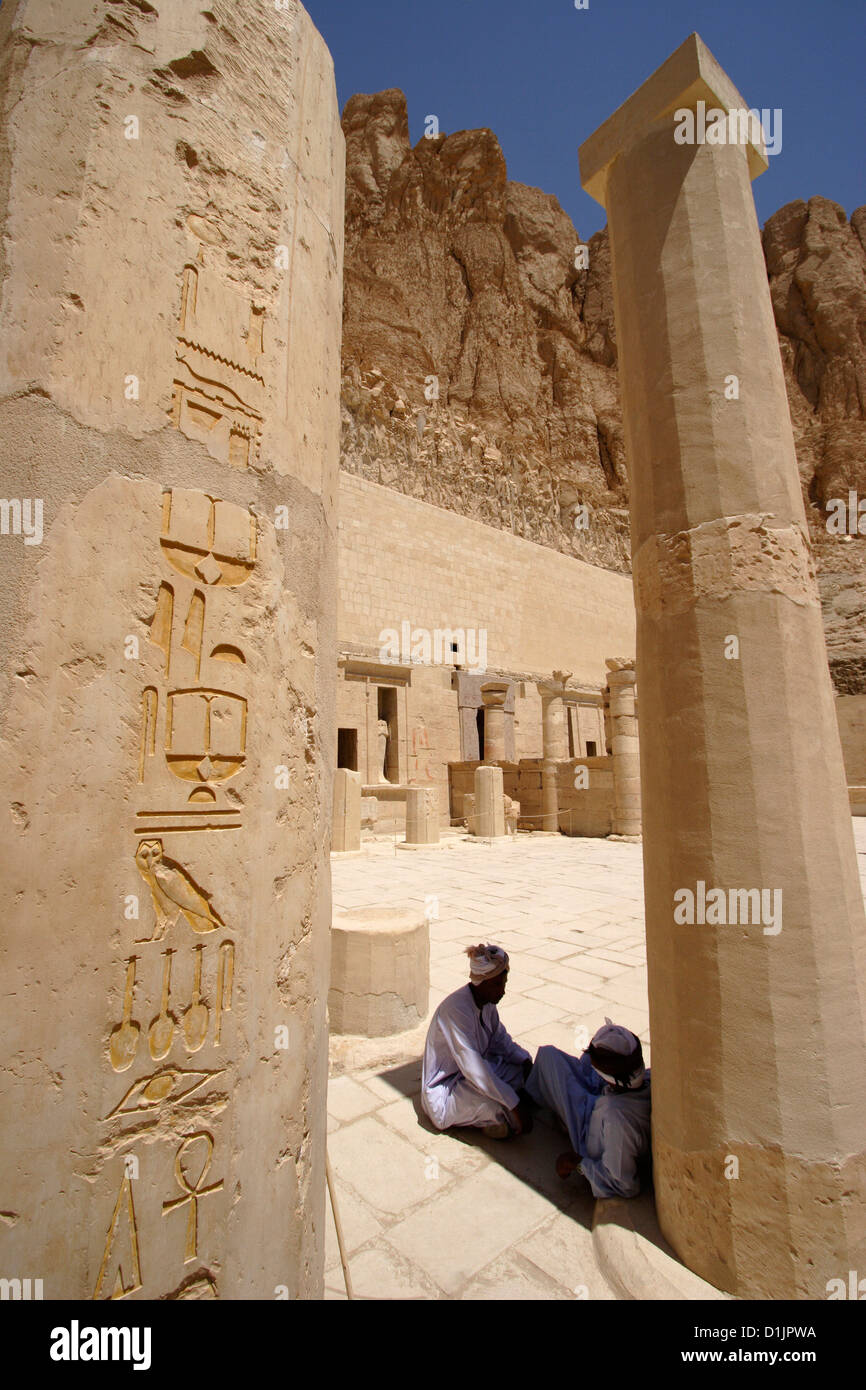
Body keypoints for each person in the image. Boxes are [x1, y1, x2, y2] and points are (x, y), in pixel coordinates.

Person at [526, 1019, 651, 1198]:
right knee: (557, 1056)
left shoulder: (616, 1118)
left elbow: (622, 1183)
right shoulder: (646, 1078)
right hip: (608, 1094)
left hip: (588, 1126)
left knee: (550, 1060)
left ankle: (559, 1115)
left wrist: (579, 1165)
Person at [421, 944, 534, 1139]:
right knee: (497, 1103)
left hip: (470, 1076)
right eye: (498, 985)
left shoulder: (487, 1003)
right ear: (482, 982)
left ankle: (499, 1117)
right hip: (447, 1091)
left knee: (519, 1073)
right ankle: (498, 1119)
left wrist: (524, 1060)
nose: (503, 991)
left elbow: (500, 1040)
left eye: (504, 984)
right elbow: (474, 1068)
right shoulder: (456, 1011)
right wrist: (514, 1104)